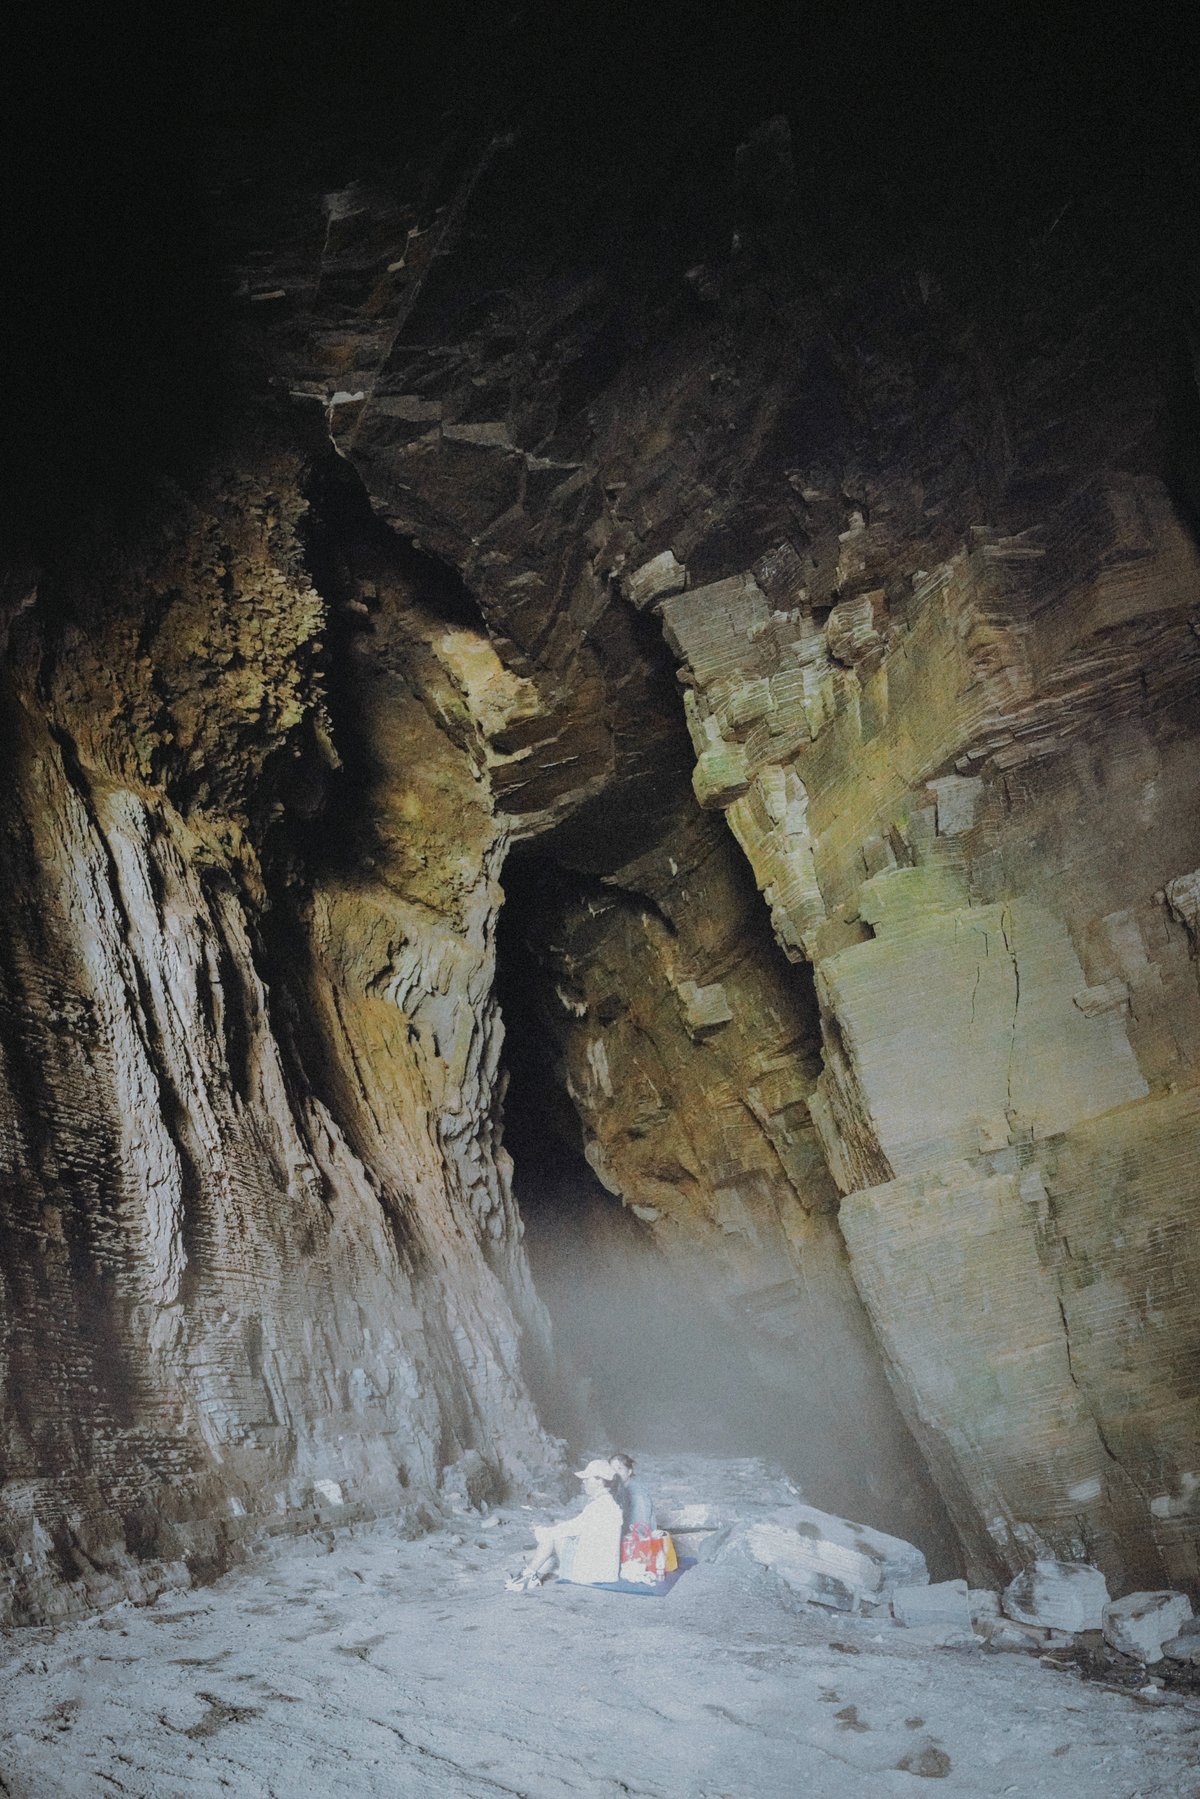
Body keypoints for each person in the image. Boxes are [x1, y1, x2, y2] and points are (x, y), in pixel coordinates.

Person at [505, 1459, 622, 1592]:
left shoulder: (599, 1506)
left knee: (551, 1537)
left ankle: (528, 1575)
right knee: (556, 1535)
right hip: (605, 1571)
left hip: (592, 1573)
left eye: (587, 1479)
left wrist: (542, 1532)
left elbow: (573, 1528)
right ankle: (531, 1574)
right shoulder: (608, 1503)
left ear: (599, 1480)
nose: (583, 1482)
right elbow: (581, 1527)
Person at [609, 1452, 656, 1533]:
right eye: (612, 1469)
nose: (615, 1473)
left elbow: (641, 1527)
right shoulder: (618, 1489)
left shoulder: (637, 1494)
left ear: (629, 1471)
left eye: (620, 1468)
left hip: (639, 1540)